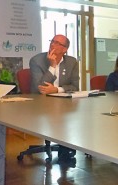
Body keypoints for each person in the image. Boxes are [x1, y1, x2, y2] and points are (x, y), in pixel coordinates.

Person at [29, 34, 79, 164]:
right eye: (52, 41)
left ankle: (66, 149)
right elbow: (40, 88)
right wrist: (52, 66)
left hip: (63, 103)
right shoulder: (36, 60)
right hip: (40, 104)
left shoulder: (72, 62)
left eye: (58, 43)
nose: (53, 44)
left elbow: (75, 87)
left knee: (72, 116)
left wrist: (57, 90)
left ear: (65, 49)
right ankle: (65, 149)